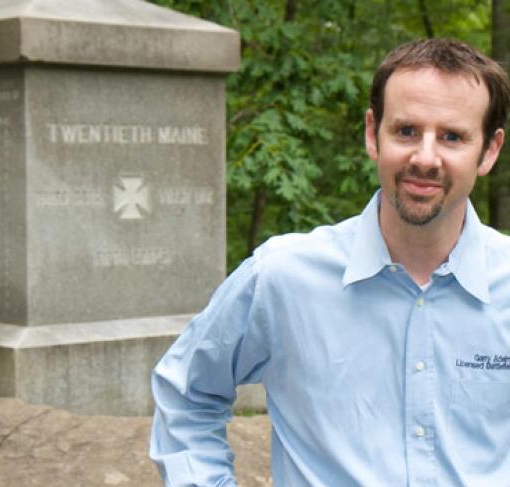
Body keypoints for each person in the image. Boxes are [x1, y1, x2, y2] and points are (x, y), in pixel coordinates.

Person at [150, 38, 510, 486]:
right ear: (371, 133)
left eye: (452, 136)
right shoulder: (283, 277)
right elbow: (186, 392)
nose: (425, 157)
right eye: (406, 131)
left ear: (490, 151)